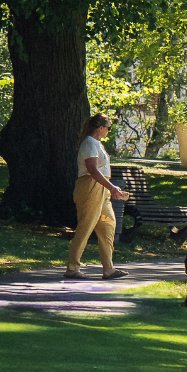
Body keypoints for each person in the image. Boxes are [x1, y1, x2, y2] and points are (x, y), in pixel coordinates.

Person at [67, 114, 130, 280]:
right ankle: (72, 268)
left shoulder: (97, 144)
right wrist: (112, 187)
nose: (109, 131)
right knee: (86, 226)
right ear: (100, 128)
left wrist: (109, 188)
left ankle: (108, 268)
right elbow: (93, 170)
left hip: (102, 187)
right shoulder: (89, 143)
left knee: (108, 224)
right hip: (90, 186)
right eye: (108, 127)